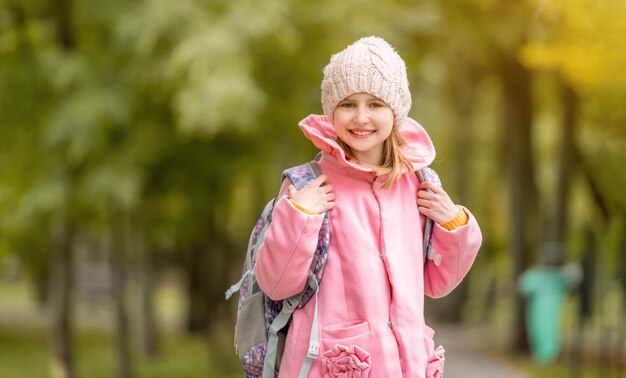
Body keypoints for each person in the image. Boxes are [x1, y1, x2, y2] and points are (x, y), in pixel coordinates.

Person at [254, 36, 482, 378]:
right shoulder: (306, 185)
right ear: (332, 110)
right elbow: (277, 285)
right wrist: (299, 217)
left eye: (375, 104)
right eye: (348, 104)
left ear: (396, 110)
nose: (361, 117)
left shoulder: (419, 183)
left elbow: (437, 284)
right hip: (330, 364)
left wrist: (454, 226)